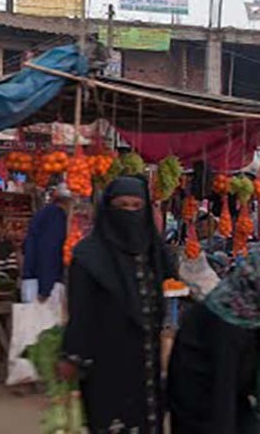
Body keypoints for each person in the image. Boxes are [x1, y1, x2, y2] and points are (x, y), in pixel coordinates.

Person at [58, 176, 175, 433]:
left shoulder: (152, 251)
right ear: (108, 209)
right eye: (122, 206)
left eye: (136, 206)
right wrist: (73, 356)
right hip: (106, 360)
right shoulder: (89, 256)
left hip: (146, 359)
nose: (130, 213)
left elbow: (171, 277)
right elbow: (81, 312)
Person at [168, 241, 260, 433]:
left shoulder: (257, 310)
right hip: (202, 410)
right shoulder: (226, 317)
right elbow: (222, 387)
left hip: (232, 400)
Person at [21, 183, 71, 304]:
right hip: (41, 284)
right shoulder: (55, 216)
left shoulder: (45, 214)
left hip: (35, 280)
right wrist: (45, 289)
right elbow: (49, 250)